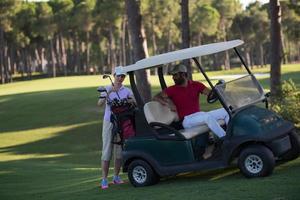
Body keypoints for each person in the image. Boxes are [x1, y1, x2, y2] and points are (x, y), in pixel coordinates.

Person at [153, 64, 229, 140]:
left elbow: (211, 94)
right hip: (186, 120)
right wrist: (169, 104)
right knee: (207, 117)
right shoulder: (171, 90)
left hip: (199, 115)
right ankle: (225, 139)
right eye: (173, 75)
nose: (173, 78)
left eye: (175, 75)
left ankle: (231, 135)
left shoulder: (196, 85)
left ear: (183, 74)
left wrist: (219, 89)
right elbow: (156, 97)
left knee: (226, 111)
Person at [97, 67, 135, 189]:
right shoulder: (107, 88)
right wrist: (110, 91)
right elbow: (100, 103)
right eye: (118, 76)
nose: (120, 78)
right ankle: (104, 179)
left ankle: (116, 176)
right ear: (114, 76)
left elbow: (135, 101)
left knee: (119, 151)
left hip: (121, 122)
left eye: (123, 76)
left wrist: (130, 100)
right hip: (109, 122)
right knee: (107, 150)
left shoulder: (126, 90)